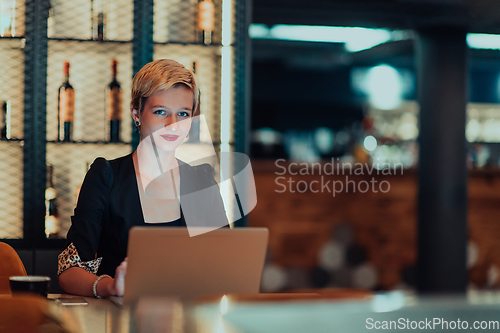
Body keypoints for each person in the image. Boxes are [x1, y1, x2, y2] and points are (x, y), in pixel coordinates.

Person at [58, 59, 228, 298]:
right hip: (120, 317)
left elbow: (226, 265)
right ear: (136, 113)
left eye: (183, 114)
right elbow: (69, 269)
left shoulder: (202, 181)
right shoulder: (105, 176)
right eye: (161, 112)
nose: (173, 125)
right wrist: (111, 286)